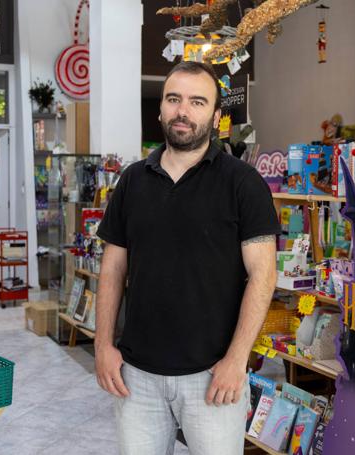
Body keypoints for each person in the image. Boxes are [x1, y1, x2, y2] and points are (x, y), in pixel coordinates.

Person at [95, 61, 280, 455]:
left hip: (213, 376)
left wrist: (236, 359)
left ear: (216, 116)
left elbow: (263, 276)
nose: (183, 111)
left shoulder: (243, 184)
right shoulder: (131, 181)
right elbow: (112, 269)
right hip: (136, 375)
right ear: (160, 109)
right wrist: (102, 345)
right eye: (174, 99)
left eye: (197, 102)